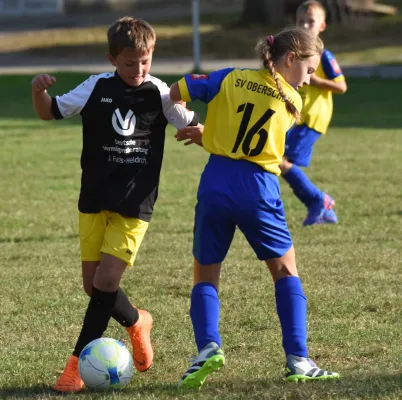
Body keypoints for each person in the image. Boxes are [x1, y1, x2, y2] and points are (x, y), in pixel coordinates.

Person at [31, 17, 201, 393]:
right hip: (92, 199)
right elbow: (49, 112)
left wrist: (204, 132)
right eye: (129, 63)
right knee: (94, 287)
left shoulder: (160, 92)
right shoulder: (96, 87)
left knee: (106, 281)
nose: (138, 70)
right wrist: (37, 91)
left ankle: (74, 366)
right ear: (111, 58)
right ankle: (137, 321)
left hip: (134, 203)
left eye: (145, 61)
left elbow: (190, 125)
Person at [170, 26, 340, 390]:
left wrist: (196, 127)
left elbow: (178, 90)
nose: (309, 80)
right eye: (309, 70)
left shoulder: (231, 77)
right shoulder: (291, 102)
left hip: (216, 182)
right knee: (285, 270)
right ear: (291, 59)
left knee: (205, 274)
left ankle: (207, 348)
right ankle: (298, 359)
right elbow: (263, 151)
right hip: (258, 188)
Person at [280, 0, 347, 226]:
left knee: (281, 161)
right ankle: (323, 211)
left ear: (322, 26)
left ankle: (319, 201)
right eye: (301, 22)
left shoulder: (324, 56)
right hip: (296, 117)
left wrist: (316, 80)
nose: (305, 26)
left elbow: (342, 86)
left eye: (311, 22)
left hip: (313, 117)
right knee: (278, 160)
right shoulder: (295, 54)